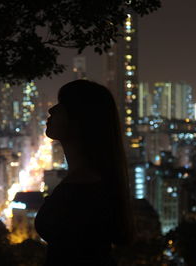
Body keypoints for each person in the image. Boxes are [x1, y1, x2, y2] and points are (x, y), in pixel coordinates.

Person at [34, 80, 134, 266]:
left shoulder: (81, 192)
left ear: (80, 119)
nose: (52, 110)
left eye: (62, 104)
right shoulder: (89, 183)